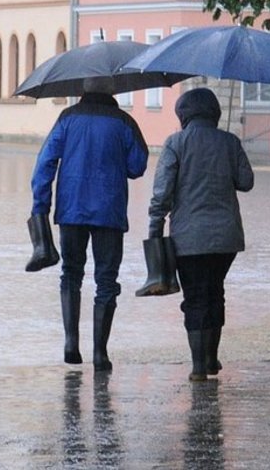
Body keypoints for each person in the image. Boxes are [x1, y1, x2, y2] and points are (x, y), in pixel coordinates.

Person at [31, 84, 149, 369]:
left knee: (71, 273)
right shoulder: (123, 122)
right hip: (109, 211)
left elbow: (45, 163)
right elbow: (138, 166)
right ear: (112, 91)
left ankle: (71, 342)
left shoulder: (67, 118)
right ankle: (100, 353)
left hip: (71, 210)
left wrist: (40, 207)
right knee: (106, 280)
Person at [147, 88, 255, 382]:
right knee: (215, 292)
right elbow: (246, 182)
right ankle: (211, 358)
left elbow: (162, 192)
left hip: (188, 238)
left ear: (183, 115)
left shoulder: (175, 144)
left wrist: (155, 229)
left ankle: (197, 366)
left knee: (195, 296)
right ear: (215, 113)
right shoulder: (230, 142)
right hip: (225, 238)